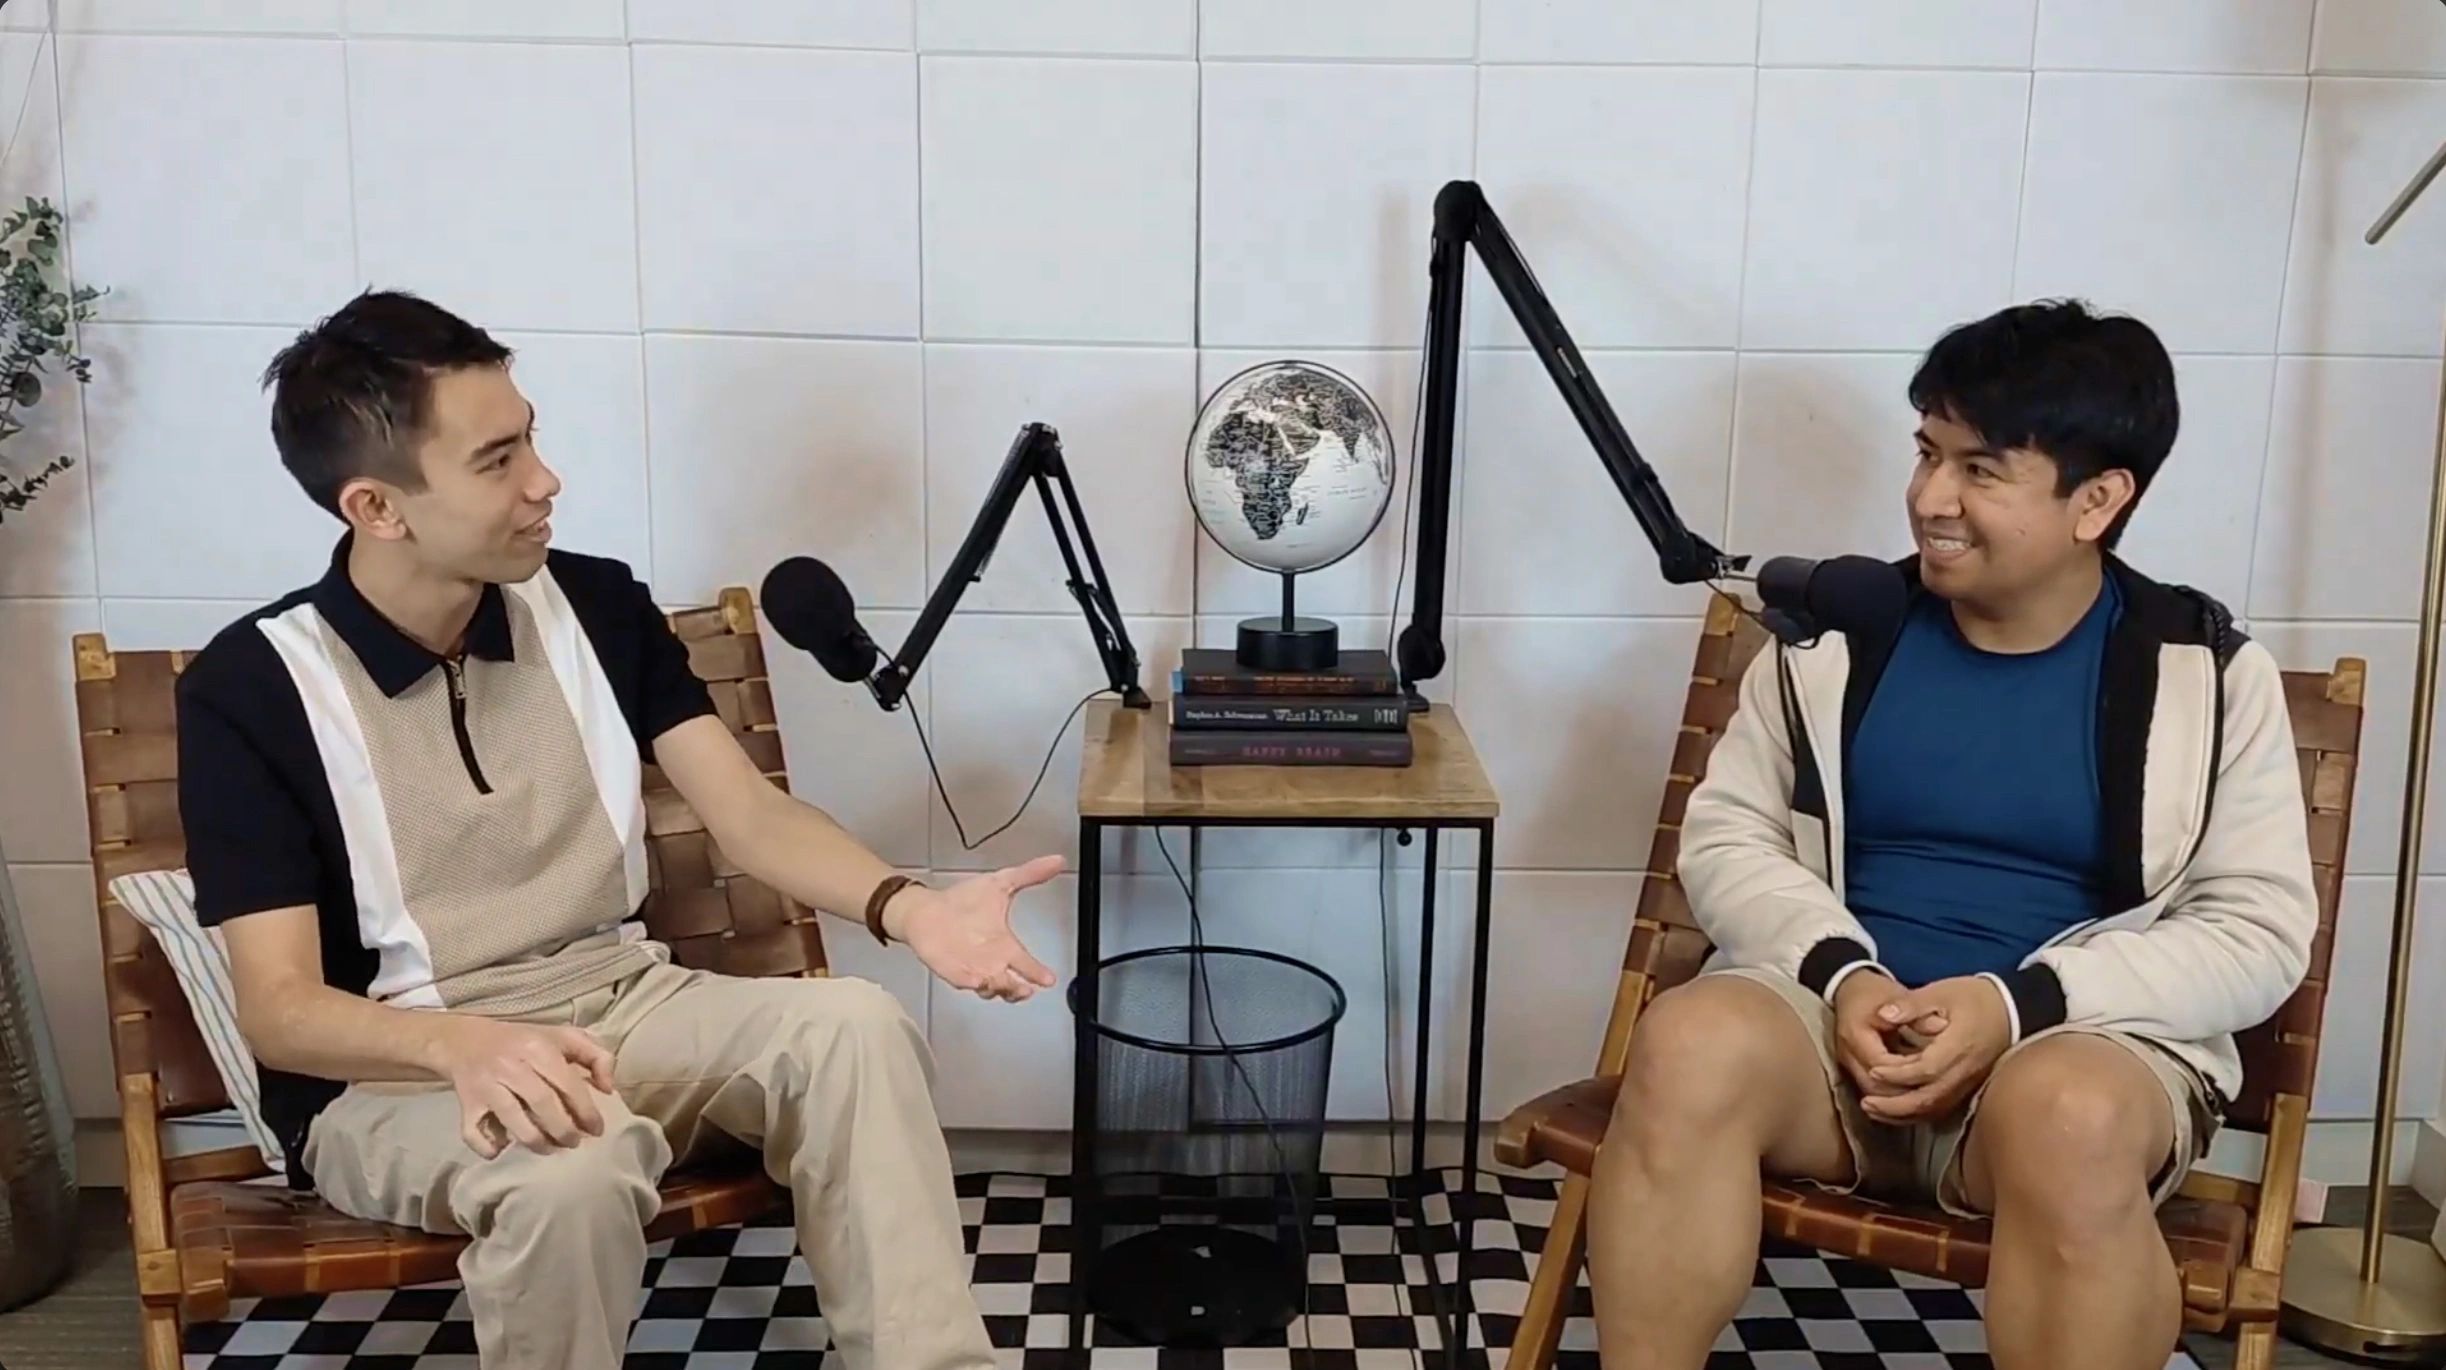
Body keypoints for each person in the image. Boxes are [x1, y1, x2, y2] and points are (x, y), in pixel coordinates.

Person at [174, 288, 1054, 1370]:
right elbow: (281, 1009)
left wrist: (909, 906)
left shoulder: (592, 605)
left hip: (626, 1002)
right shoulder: (251, 687)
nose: (545, 480)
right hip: (406, 1071)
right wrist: (465, 1046)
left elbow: (751, 811)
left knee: (853, 1029)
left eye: (531, 435)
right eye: (497, 460)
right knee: (569, 1170)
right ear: (377, 507)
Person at [1583, 299, 2317, 1370]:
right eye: (1926, 451)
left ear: (2097, 500)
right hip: (1831, 1039)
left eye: (1980, 469)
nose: (1930, 498)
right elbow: (1728, 838)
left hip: (2071, 1057)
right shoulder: (1834, 638)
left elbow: (2256, 932)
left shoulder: (2203, 673)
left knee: (2067, 1114)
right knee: (1688, 1041)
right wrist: (1842, 975)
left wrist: (2018, 1003)